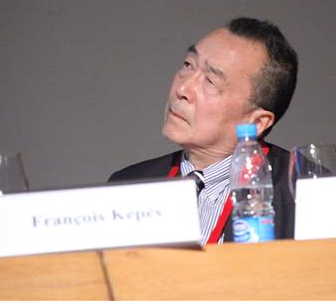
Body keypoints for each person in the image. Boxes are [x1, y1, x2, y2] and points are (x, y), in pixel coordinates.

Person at [109, 17, 298, 245]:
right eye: (188, 65)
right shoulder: (128, 186)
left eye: (210, 81)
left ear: (257, 122)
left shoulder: (302, 196)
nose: (182, 89)